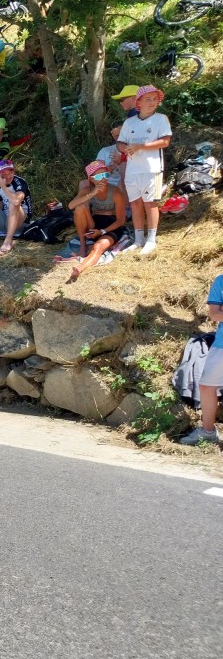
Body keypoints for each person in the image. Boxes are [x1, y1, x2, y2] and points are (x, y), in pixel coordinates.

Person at [117, 84, 171, 256]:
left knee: (150, 203)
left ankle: (151, 240)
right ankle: (138, 239)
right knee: (135, 204)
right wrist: (125, 149)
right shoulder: (129, 122)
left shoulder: (161, 119)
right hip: (133, 170)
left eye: (155, 99)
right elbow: (120, 143)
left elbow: (165, 142)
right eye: (148, 99)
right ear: (138, 102)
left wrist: (141, 146)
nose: (152, 102)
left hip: (151, 169)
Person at [178, 273, 223, 445]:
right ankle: (208, 432)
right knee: (206, 386)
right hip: (221, 345)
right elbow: (214, 315)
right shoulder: (221, 281)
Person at [65, 160, 128, 282]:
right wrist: (92, 193)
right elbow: (71, 206)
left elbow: (121, 221)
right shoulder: (88, 190)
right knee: (80, 208)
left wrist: (102, 231)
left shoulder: (115, 192)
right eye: (99, 176)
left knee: (98, 246)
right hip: (94, 222)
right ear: (91, 179)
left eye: (106, 175)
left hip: (111, 225)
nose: (104, 179)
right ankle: (83, 244)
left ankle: (79, 269)